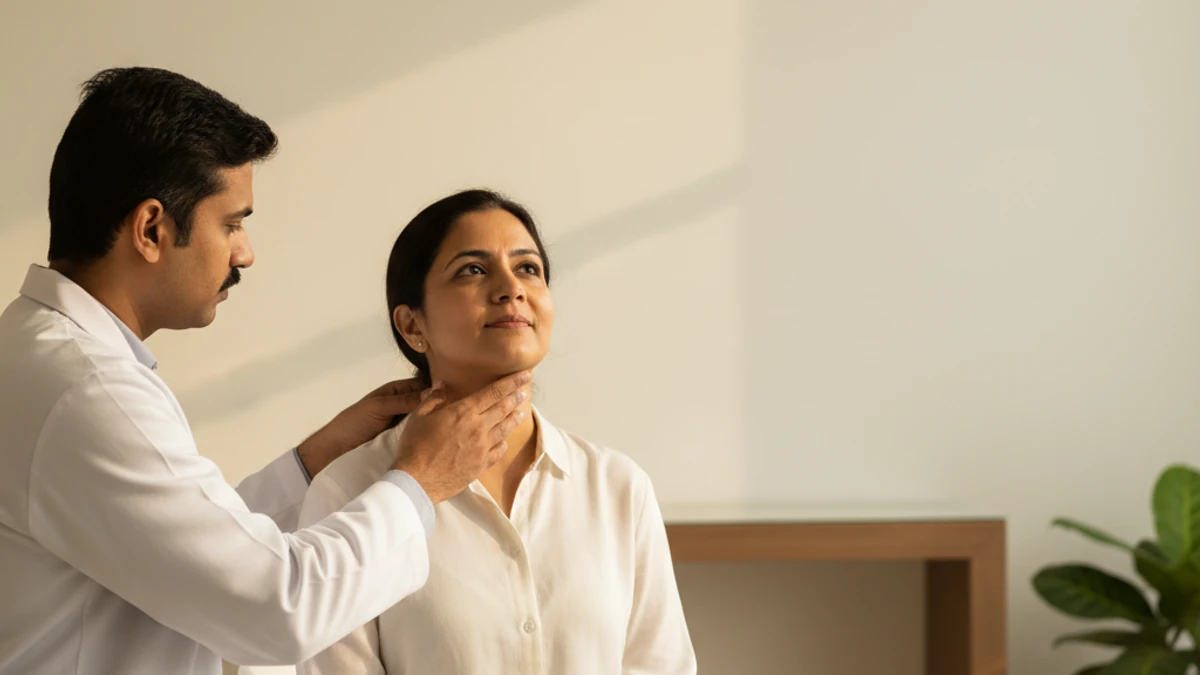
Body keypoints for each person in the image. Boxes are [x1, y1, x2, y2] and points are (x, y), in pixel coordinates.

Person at [0, 67, 531, 675]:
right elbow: (276, 610)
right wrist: (420, 480)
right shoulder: (86, 389)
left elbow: (186, 547)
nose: (245, 252)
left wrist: (317, 457)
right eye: (231, 223)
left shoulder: (45, 359)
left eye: (531, 268)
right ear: (151, 229)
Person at [296, 189, 697, 675]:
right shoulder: (347, 492)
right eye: (473, 270)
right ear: (411, 325)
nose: (511, 288)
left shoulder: (617, 487)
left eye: (528, 268)